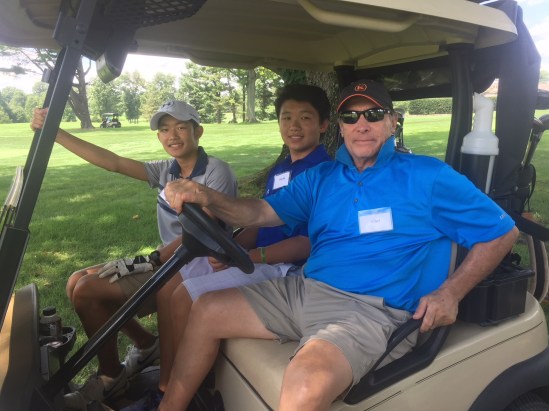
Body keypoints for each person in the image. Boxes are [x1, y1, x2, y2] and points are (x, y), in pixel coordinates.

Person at [158, 79, 519, 411]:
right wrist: (206, 196)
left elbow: (502, 232)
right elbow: (260, 212)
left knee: (305, 385)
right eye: (350, 116)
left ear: (392, 122)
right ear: (341, 127)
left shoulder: (427, 176)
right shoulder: (321, 177)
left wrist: (450, 293)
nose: (361, 124)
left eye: (373, 114)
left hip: (372, 312)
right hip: (305, 290)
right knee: (206, 309)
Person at [121, 84, 333, 410]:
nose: (293, 126)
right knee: (169, 287)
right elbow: (258, 221)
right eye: (286, 117)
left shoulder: (323, 174)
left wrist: (247, 257)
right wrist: (229, 247)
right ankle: (167, 380)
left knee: (186, 296)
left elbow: (306, 243)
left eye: (305, 118)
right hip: (255, 259)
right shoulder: (282, 169)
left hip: (283, 268)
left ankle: (183, 392)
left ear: (323, 125)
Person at [30, 100, 238, 409]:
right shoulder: (167, 170)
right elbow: (113, 162)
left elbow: (200, 233)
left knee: (87, 291)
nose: (172, 135)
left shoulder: (216, 171)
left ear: (199, 131)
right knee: (76, 280)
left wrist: (149, 260)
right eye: (164, 129)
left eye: (181, 127)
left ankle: (111, 376)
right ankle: (145, 344)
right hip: (168, 262)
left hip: (194, 266)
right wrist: (56, 133)